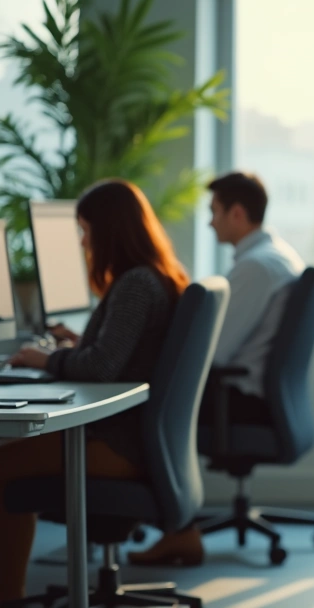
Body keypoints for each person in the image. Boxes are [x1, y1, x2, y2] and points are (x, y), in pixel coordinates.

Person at [0, 180, 190, 601]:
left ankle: (8, 597)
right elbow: (118, 355)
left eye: (86, 230)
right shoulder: (153, 277)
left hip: (118, 447)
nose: (83, 241)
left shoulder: (136, 284)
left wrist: (45, 359)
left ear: (109, 231)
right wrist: (79, 343)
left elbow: (103, 367)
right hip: (141, 443)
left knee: (2, 468)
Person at [127, 171, 305, 567]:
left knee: (140, 409)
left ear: (237, 213)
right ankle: (171, 524)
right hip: (253, 394)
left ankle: (175, 528)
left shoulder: (257, 268)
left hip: (238, 399)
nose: (210, 222)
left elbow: (214, 352)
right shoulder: (274, 254)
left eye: (214, 212)